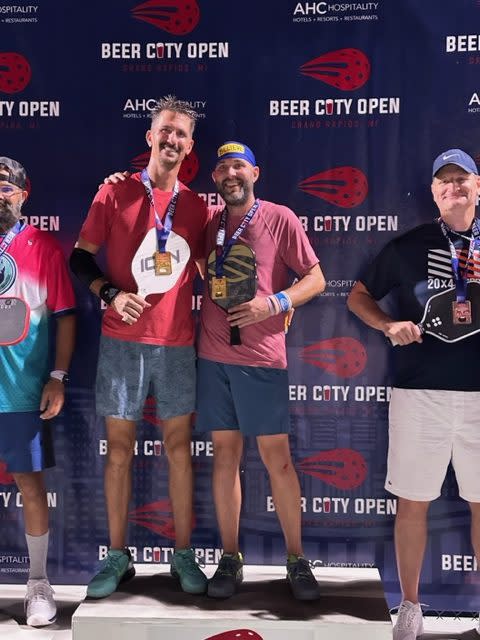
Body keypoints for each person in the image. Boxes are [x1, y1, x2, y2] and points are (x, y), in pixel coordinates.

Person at [69, 96, 210, 598]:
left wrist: (275, 303)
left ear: (189, 147)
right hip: (122, 342)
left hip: (176, 344)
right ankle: (117, 556)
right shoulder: (114, 194)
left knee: (178, 450)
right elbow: (80, 259)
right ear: (150, 137)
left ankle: (184, 555)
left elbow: (215, 274)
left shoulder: (197, 207)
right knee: (120, 453)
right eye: (165, 131)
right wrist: (110, 293)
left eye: (181, 135)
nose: (171, 140)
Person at [347, 148, 480, 639]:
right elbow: (358, 295)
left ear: (478, 185)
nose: (453, 187)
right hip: (419, 392)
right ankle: (410, 606)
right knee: (413, 502)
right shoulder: (408, 246)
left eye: (462, 178)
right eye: (444, 181)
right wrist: (388, 324)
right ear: (433, 192)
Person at [196, 141, 326, 600]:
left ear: (255, 172)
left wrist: (273, 303)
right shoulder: (208, 223)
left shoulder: (279, 216)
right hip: (213, 359)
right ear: (214, 178)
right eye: (222, 168)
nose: (231, 174)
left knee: (278, 462)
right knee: (225, 459)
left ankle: (296, 559)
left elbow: (316, 277)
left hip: (262, 359)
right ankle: (230, 559)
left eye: (239, 166)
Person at [0, 157, 75, 626]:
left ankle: (38, 584)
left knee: (29, 484)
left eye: (6, 186)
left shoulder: (42, 246)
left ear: (24, 194)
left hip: (22, 390)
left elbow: (66, 316)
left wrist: (58, 377)